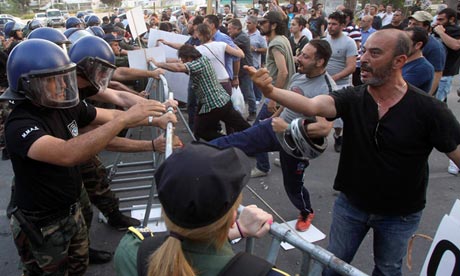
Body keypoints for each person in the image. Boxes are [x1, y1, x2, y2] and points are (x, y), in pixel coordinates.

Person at [247, 29, 460, 276]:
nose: (363, 59)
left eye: (375, 53)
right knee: (333, 263)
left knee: (388, 269)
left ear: (399, 61)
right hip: (351, 206)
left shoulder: (430, 110)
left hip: (399, 214)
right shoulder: (352, 97)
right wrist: (270, 91)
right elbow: (313, 105)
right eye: (364, 51)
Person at [1, 39, 166, 276]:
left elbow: (105, 114)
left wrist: (154, 116)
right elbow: (68, 153)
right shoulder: (20, 124)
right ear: (29, 86)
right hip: (43, 222)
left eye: (62, 78)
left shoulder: (62, 105)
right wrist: (125, 119)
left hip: (70, 206)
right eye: (52, 81)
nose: (60, 86)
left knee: (79, 264)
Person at [211, 40, 335, 232]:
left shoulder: (327, 88)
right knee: (235, 141)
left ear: (320, 62)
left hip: (296, 143)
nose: (298, 59)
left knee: (293, 186)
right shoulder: (299, 76)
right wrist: (271, 119)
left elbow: (323, 128)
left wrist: (287, 127)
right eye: (300, 54)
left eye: (305, 56)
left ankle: (306, 211)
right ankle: (195, 152)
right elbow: (287, 101)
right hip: (274, 127)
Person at [118, 142, 285, 276]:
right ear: (233, 217)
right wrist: (235, 231)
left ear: (164, 209)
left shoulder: (131, 251)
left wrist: (236, 231)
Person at [150, 44, 250, 141]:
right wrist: (162, 61)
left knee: (202, 131)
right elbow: (178, 64)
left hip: (214, 104)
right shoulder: (202, 60)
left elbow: (178, 67)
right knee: (242, 126)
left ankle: (230, 142)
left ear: (189, 57)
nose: (182, 62)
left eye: (183, 59)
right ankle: (250, 140)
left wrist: (159, 64)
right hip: (221, 101)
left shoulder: (198, 64)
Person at [250, 11, 296, 178]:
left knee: (259, 129)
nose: (260, 25)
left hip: (278, 94)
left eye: (264, 22)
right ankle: (288, 160)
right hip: (286, 93)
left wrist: (272, 97)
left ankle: (262, 166)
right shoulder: (283, 39)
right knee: (281, 128)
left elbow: (282, 72)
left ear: (274, 25)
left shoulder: (276, 43)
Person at [324, 11, 357, 153]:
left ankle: (338, 136)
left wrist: (334, 78)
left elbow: (351, 67)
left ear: (343, 25)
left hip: (341, 85)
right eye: (329, 23)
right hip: (324, 83)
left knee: (337, 119)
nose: (330, 27)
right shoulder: (325, 40)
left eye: (334, 24)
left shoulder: (349, 43)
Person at [432, 7, 460, 175]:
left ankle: (454, 155)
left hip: (445, 75)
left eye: (442, 20)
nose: (438, 23)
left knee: (438, 114)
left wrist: (440, 31)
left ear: (451, 20)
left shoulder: (455, 31)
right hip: (437, 74)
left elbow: (455, 46)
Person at [407, 11, 446, 97]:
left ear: (426, 27)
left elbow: (437, 73)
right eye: (410, 23)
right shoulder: (407, 41)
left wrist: (427, 97)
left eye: (416, 24)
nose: (411, 27)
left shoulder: (435, 47)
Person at [227, 18, 257, 121]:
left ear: (236, 29)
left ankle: (252, 111)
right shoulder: (237, 36)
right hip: (240, 69)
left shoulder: (242, 37)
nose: (228, 31)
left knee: (248, 92)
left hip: (246, 68)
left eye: (230, 29)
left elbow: (229, 46)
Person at [402, 27, 434, 93]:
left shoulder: (423, 68)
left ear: (418, 45)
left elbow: (397, 89)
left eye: (405, 41)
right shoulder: (400, 61)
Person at [246, 15, 267, 103]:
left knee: (255, 81)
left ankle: (258, 98)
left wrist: (255, 49)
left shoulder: (260, 36)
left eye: (249, 23)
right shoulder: (244, 33)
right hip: (246, 61)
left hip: (255, 62)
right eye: (246, 23)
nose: (247, 25)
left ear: (255, 24)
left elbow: (265, 49)